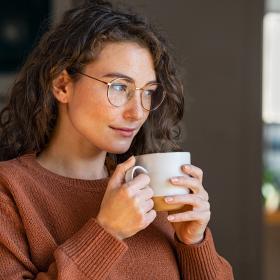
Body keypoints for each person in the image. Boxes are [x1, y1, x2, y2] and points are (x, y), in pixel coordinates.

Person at [0, 0, 234, 279]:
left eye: (147, 92)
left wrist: (194, 243)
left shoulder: (152, 191)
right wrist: (107, 231)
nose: (137, 112)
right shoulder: (10, 192)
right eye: (119, 87)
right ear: (63, 86)